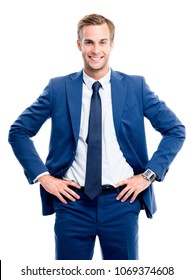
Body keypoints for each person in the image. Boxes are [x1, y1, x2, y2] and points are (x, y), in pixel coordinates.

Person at [8, 13, 185, 260]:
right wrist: (44, 178)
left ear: (111, 44)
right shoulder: (58, 88)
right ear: (79, 44)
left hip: (122, 202)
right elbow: (19, 131)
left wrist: (148, 175)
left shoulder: (136, 87)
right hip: (72, 204)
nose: (95, 49)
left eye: (102, 42)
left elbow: (175, 130)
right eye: (89, 42)